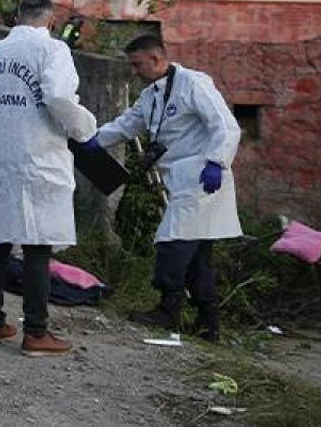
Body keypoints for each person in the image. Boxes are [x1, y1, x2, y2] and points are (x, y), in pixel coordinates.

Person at [0, 0, 97, 357]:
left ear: (17, 17)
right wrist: (85, 128)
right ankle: (36, 332)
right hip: (39, 157)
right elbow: (57, 97)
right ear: (50, 19)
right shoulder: (53, 50)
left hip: (2, 159)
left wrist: (1, 133)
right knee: (38, 243)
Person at [88, 34, 242, 341]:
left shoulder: (193, 84)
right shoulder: (151, 96)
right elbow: (127, 124)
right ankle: (208, 325)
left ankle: (168, 311)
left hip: (203, 178)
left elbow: (225, 125)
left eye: (137, 64)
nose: (134, 71)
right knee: (198, 256)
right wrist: (91, 140)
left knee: (170, 243)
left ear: (156, 59)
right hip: (181, 180)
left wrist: (217, 162)